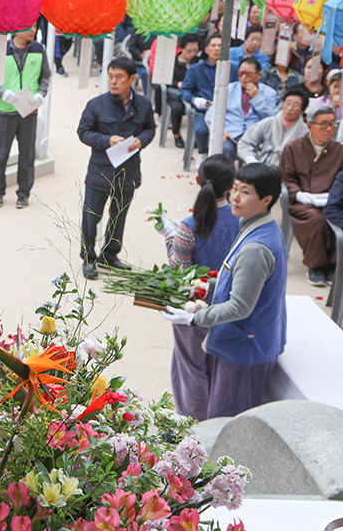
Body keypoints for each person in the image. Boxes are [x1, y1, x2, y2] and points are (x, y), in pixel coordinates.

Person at [162, 163, 287, 419]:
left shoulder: (257, 247)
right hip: (240, 343)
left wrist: (194, 318)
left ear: (267, 200)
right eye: (235, 189)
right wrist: (203, 288)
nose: (236, 197)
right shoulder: (252, 226)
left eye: (246, 192)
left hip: (243, 349)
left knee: (226, 427)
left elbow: (240, 306)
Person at [159, 155, 239, 420]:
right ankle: (214, 420)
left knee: (190, 366)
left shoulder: (189, 225)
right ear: (231, 187)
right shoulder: (242, 223)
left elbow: (179, 271)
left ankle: (191, 423)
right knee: (218, 366)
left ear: (197, 181)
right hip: (229, 304)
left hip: (195, 303)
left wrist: (170, 236)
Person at [77, 57, 156, 280]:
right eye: (110, 76)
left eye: (119, 77)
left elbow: (150, 128)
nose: (113, 81)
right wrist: (106, 140)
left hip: (128, 171)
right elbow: (83, 132)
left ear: (132, 79)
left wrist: (142, 139)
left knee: (118, 216)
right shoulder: (96, 104)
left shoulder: (144, 104)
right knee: (91, 217)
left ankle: (109, 255)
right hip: (100, 170)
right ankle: (89, 258)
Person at [0, 24, 50, 208]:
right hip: (5, 111)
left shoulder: (39, 49)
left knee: (27, 154)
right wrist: (2, 92)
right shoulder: (0, 49)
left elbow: (45, 77)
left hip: (28, 111)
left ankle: (24, 193)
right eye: (29, 27)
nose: (33, 30)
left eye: (35, 26)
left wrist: (41, 94)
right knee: (0, 155)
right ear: (16, 29)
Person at [279, 105, 343, 286]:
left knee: (334, 216)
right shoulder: (293, 148)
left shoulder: (339, 150)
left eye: (333, 124)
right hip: (300, 201)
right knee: (317, 219)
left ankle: (334, 263)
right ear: (310, 126)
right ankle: (316, 265)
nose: (329, 129)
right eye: (324, 124)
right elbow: (285, 177)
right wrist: (299, 195)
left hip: (331, 199)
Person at [206, 57, 278, 160]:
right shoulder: (229, 89)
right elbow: (212, 113)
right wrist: (221, 131)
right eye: (241, 73)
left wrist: (257, 99)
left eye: (248, 74)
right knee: (226, 150)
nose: (244, 77)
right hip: (231, 134)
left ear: (259, 75)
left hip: (255, 137)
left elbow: (272, 119)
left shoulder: (269, 93)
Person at [236, 87, 310, 167]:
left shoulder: (306, 132)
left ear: (303, 110)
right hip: (262, 167)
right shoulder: (267, 123)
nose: (289, 108)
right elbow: (245, 143)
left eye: (295, 105)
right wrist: (251, 160)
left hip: (290, 172)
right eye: (287, 103)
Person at [182, 34, 222, 154]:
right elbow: (184, 91)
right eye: (213, 45)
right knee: (201, 131)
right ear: (207, 49)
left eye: (220, 46)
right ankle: (202, 154)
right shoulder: (195, 69)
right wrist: (195, 100)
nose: (216, 49)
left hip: (226, 112)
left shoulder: (234, 69)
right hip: (203, 110)